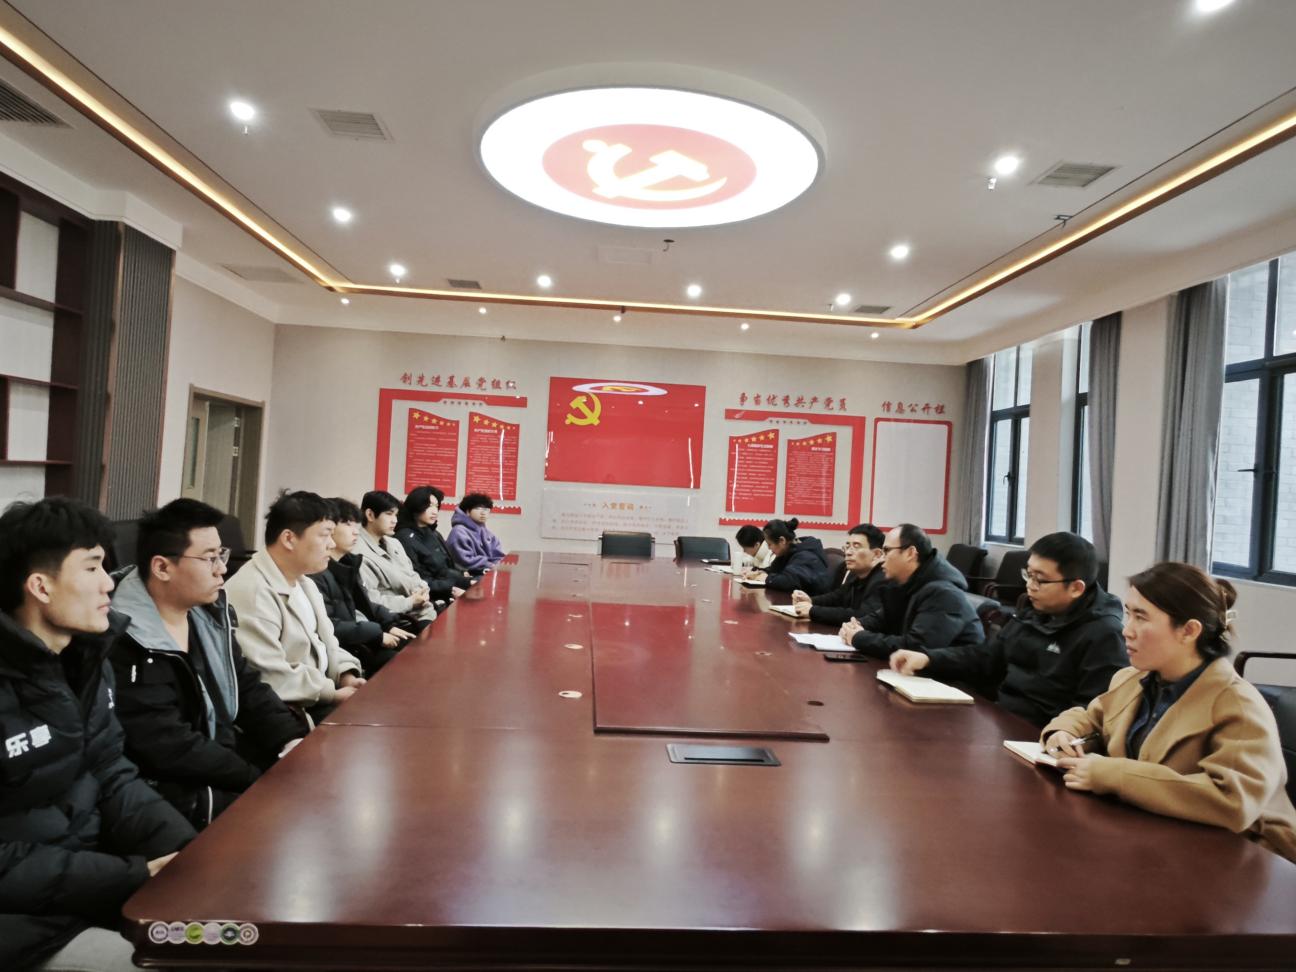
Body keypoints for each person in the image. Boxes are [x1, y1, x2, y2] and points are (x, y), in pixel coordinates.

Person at [0, 498, 195, 972]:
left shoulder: (85, 660)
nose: (110, 583)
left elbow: (110, 772)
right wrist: (131, 874)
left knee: (232, 940)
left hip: (88, 891)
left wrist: (188, 853)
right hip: (23, 926)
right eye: (92, 568)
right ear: (40, 586)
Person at [1042, 562, 1296, 862]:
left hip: (1245, 857)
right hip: (1157, 838)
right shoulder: (1133, 679)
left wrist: (1114, 775)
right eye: (1128, 613)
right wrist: (1064, 732)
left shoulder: (1238, 705)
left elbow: (1232, 801)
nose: (1127, 630)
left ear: (1189, 630)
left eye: (1141, 617)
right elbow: (1093, 718)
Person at [109, 499, 310, 829]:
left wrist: (290, 740)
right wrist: (255, 778)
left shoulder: (207, 613)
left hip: (224, 759)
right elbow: (168, 745)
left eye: (221, 555)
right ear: (162, 568)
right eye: (209, 558)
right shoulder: (125, 638)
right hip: (176, 788)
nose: (222, 569)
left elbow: (243, 682)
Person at [889, 532, 1127, 726]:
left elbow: (1093, 711)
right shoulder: (1033, 613)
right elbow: (986, 658)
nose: (1030, 586)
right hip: (1000, 720)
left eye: (1040, 579)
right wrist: (929, 659)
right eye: (1028, 575)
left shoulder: (1103, 634)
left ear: (1076, 588)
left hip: (1042, 738)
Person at [224, 491, 366, 723]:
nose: (331, 544)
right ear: (289, 539)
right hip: (293, 711)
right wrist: (331, 693)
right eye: (325, 535)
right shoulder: (254, 592)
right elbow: (270, 674)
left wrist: (346, 674)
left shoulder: (303, 582)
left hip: (319, 694)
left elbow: (325, 643)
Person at [840, 523, 982, 657]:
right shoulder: (907, 582)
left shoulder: (944, 593)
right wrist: (856, 625)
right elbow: (882, 618)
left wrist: (859, 637)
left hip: (948, 674)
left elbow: (916, 647)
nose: (881, 558)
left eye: (887, 551)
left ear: (910, 553)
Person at [310, 497, 414, 673]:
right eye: (347, 524)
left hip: (361, 639)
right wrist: (377, 634)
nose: (356, 532)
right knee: (402, 662)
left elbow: (364, 603)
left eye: (356, 525)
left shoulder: (348, 563)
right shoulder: (317, 572)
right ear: (329, 529)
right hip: (348, 651)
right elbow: (330, 625)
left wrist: (388, 624)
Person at [353, 490, 438, 625]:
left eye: (396, 515)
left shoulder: (394, 543)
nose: (395, 520)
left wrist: (423, 590)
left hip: (422, 611)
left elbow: (412, 574)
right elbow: (370, 599)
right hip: (397, 620)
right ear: (370, 515)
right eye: (389, 514)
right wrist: (409, 602)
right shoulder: (357, 551)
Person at [790, 523, 889, 623]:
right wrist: (810, 600)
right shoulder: (855, 572)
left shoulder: (884, 579)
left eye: (856, 547)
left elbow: (863, 615)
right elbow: (838, 597)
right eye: (847, 547)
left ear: (877, 554)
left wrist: (812, 611)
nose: (848, 553)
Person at [394, 486, 473, 600]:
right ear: (416, 506)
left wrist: (464, 577)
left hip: (448, 587)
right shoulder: (404, 537)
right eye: (429, 506)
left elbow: (446, 566)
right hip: (431, 596)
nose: (435, 511)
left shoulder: (433, 533)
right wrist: (454, 587)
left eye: (436, 506)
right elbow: (419, 579)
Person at [743, 518, 831, 595]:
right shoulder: (788, 551)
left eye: (770, 544)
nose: (769, 548)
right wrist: (760, 572)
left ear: (782, 541)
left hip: (812, 602)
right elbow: (775, 569)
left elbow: (789, 581)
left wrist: (767, 578)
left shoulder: (805, 555)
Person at [446, 493, 506, 573]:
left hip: (486, 572)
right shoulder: (459, 532)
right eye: (478, 508)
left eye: (486, 509)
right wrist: (490, 565)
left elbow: (498, 557)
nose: (483, 512)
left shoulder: (488, 534)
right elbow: (465, 561)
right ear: (468, 511)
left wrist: (498, 566)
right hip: (467, 575)